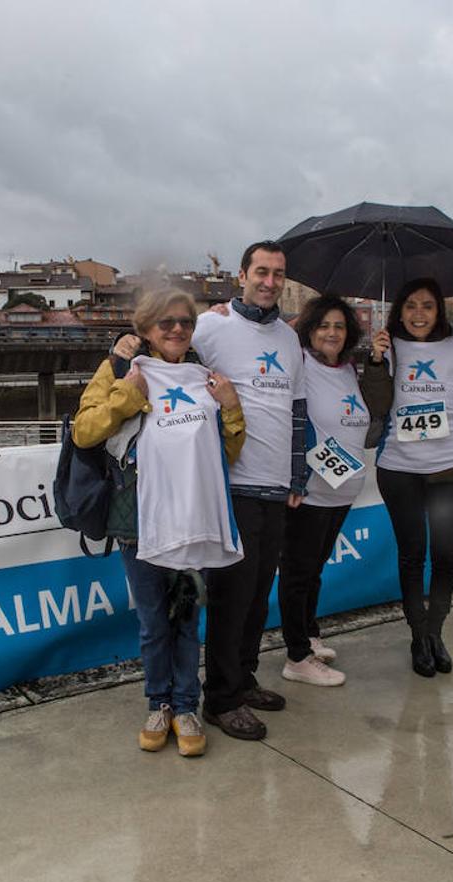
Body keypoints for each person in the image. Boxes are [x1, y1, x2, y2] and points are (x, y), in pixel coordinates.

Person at [73, 288, 245, 757]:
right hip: (138, 520)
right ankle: (159, 703)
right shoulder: (121, 370)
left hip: (193, 516)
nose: (177, 330)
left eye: (186, 323)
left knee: (187, 618)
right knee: (153, 622)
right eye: (166, 322)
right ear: (145, 328)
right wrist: (127, 395)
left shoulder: (205, 376)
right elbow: (84, 431)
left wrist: (230, 408)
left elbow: (225, 455)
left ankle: (187, 705)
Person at [190, 240, 308, 741]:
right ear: (241, 275)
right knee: (231, 598)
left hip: (276, 487)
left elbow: (298, 412)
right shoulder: (212, 326)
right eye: (261, 271)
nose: (270, 281)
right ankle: (219, 697)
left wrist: (298, 476)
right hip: (232, 486)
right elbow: (165, 350)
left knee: (259, 597)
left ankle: (244, 678)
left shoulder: (289, 339)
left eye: (279, 274)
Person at [362, 278, 453, 677]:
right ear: (398, 310)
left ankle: (436, 631)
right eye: (410, 305)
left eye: (427, 305)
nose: (418, 314)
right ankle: (417, 636)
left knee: (446, 555)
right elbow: (376, 407)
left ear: (439, 310)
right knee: (412, 556)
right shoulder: (387, 346)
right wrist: (376, 363)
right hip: (400, 468)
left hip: (451, 467)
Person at [277, 295, 371, 688]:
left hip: (342, 490)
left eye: (339, 326)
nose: (331, 333)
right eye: (323, 326)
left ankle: (309, 634)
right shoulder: (299, 362)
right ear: (309, 329)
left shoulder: (349, 369)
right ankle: (296, 656)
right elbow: (295, 419)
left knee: (314, 571)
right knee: (298, 571)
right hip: (311, 490)